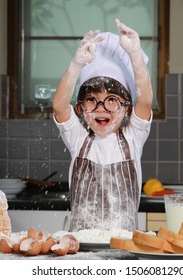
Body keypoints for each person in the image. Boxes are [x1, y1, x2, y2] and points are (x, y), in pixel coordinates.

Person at [52, 19, 153, 231]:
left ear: (127, 109)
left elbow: (144, 101)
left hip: (124, 247)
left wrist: (135, 55)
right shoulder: (78, 140)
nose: (101, 109)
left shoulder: (133, 139)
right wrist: (76, 65)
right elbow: (60, 107)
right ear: (80, 109)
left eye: (112, 100)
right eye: (92, 100)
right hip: (80, 248)